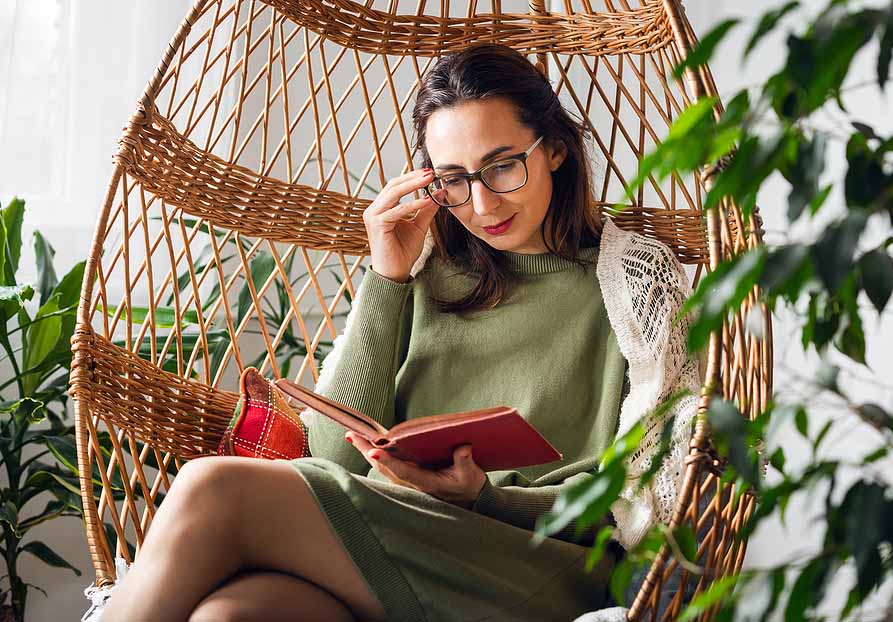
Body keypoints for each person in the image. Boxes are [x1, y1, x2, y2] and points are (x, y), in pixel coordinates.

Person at [99, 42, 700, 622]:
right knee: (230, 614)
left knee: (214, 488)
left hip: (532, 567)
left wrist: (482, 498)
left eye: (502, 166)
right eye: (454, 180)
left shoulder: (633, 284)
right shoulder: (428, 278)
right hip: (398, 546)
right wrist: (387, 276)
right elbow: (332, 457)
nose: (483, 202)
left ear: (556, 151)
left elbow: (651, 500)